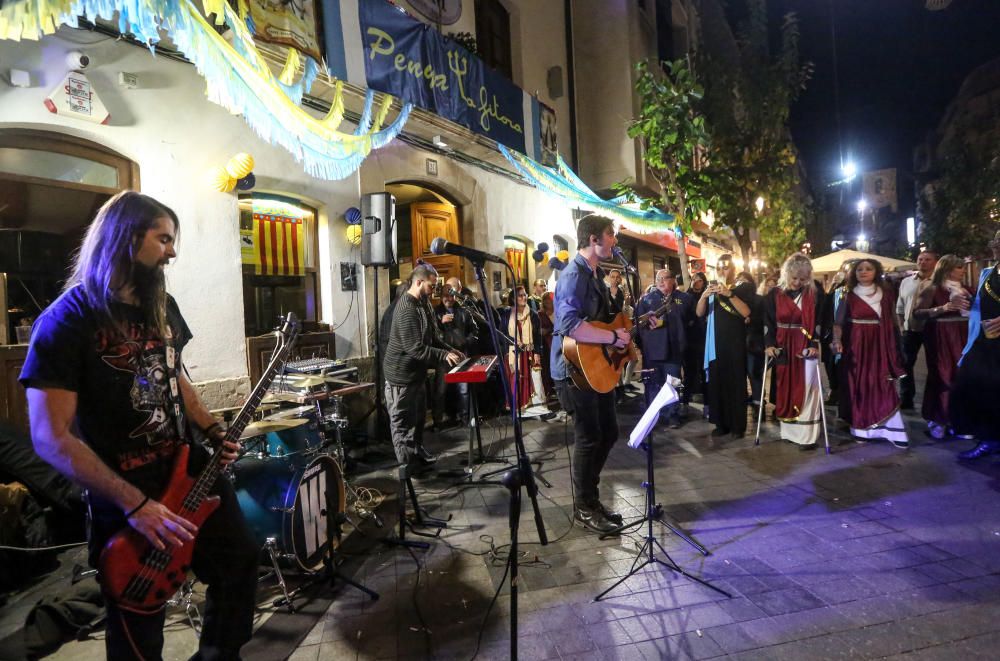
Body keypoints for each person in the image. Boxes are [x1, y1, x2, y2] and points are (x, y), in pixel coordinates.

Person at [19, 191, 258, 660]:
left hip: (190, 473)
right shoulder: (66, 321)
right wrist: (136, 505)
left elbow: (174, 372)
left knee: (239, 562)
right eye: (163, 239)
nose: (173, 251)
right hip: (125, 493)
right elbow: (50, 435)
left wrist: (210, 428)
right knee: (137, 622)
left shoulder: (161, 305)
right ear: (126, 239)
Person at [551, 214, 629, 534]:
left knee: (608, 433)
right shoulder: (573, 275)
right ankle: (584, 506)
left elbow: (597, 318)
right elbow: (570, 325)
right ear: (593, 239)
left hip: (593, 366)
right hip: (573, 371)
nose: (614, 240)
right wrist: (612, 338)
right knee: (588, 438)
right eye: (610, 235)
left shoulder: (595, 274)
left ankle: (591, 499)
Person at [384, 264, 464, 467]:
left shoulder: (424, 302)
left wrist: (449, 349)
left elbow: (433, 337)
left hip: (416, 374)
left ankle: (416, 453)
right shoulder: (406, 308)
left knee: (419, 419)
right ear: (419, 282)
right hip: (400, 376)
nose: (435, 290)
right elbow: (415, 348)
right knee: (401, 423)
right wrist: (444, 355)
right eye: (432, 285)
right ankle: (406, 470)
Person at [831, 259, 909, 448]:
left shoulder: (887, 293)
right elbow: (838, 322)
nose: (863, 272)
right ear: (854, 273)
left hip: (881, 344)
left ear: (876, 271)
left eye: (868, 269)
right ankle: (862, 428)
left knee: (882, 381)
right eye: (859, 269)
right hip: (856, 344)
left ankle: (890, 428)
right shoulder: (846, 294)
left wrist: (897, 344)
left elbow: (891, 320)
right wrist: (837, 340)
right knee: (858, 383)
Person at [764, 254, 826, 450]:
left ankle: (807, 436)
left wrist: (814, 344)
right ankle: (789, 432)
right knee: (785, 387)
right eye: (794, 278)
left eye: (803, 279)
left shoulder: (815, 294)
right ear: (786, 274)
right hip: (783, 346)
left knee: (808, 389)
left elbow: (821, 322)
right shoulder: (774, 294)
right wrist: (769, 344)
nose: (798, 283)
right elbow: (768, 323)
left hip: (805, 346)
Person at [911, 254, 971, 439]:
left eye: (962, 267)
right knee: (942, 375)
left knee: (962, 377)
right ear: (946, 269)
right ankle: (938, 419)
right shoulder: (933, 289)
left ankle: (959, 420)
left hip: (964, 334)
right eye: (958, 267)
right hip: (940, 335)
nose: (962, 271)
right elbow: (917, 313)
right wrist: (942, 308)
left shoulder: (968, 289)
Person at [952, 230, 1000, 460]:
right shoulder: (987, 273)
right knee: (974, 386)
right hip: (985, 341)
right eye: (995, 240)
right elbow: (979, 305)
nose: (996, 245)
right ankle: (989, 439)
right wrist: (961, 301)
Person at [696, 255, 754, 438]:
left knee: (736, 384)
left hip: (735, 343)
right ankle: (721, 423)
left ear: (734, 269)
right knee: (717, 383)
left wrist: (729, 294)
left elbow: (746, 312)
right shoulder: (711, 289)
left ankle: (737, 426)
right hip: (715, 344)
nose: (722, 271)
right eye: (719, 268)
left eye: (726, 268)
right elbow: (699, 313)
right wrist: (704, 296)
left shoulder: (743, 288)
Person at [635, 270, 690, 429]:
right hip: (653, 352)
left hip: (674, 351)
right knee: (653, 384)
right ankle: (654, 415)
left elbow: (691, 322)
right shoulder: (646, 300)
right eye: (658, 278)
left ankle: (673, 414)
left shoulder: (684, 299)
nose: (660, 281)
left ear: (673, 280)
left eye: (665, 278)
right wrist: (643, 347)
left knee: (672, 383)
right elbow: (639, 327)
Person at [896, 251, 938, 410]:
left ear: (935, 262)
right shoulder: (907, 282)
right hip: (910, 329)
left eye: (928, 259)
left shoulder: (939, 282)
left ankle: (934, 399)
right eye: (920, 259)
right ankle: (906, 398)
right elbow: (900, 306)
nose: (923, 262)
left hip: (931, 328)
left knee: (934, 364)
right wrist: (901, 326)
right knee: (905, 364)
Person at [433, 286, 479, 428]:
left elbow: (475, 331)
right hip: (444, 357)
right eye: (446, 296)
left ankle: (465, 419)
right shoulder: (435, 312)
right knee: (441, 390)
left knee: (463, 389)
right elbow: (430, 334)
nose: (449, 299)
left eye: (451, 295)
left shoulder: (463, 310)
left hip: (462, 355)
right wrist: (440, 323)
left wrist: (466, 341)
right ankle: (438, 421)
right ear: (441, 296)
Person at [499, 286, 543, 410]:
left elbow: (537, 336)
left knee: (534, 380)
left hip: (529, 352)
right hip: (513, 353)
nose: (524, 297)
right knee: (515, 380)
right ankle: (518, 408)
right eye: (520, 295)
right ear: (513, 298)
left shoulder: (533, 314)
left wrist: (537, 352)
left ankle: (536, 408)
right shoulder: (507, 314)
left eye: (525, 295)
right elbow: (501, 334)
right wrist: (511, 345)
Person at [682, 272, 709, 417]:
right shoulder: (686, 297)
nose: (696, 282)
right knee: (689, 373)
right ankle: (685, 402)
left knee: (705, 373)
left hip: (704, 340)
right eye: (694, 280)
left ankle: (707, 405)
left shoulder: (708, 296)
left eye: (699, 280)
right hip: (690, 341)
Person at [748, 274, 774, 406]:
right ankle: (757, 397)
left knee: (756, 370)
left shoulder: (771, 302)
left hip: (763, 341)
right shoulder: (757, 300)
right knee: (754, 370)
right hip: (754, 341)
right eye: (768, 286)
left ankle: (758, 397)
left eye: (773, 286)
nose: (770, 289)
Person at [538, 291, 556, 402]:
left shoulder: (558, 312)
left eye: (551, 299)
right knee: (547, 366)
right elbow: (540, 331)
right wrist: (550, 330)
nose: (549, 301)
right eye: (547, 299)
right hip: (546, 344)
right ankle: (549, 389)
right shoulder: (540, 314)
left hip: (558, 343)